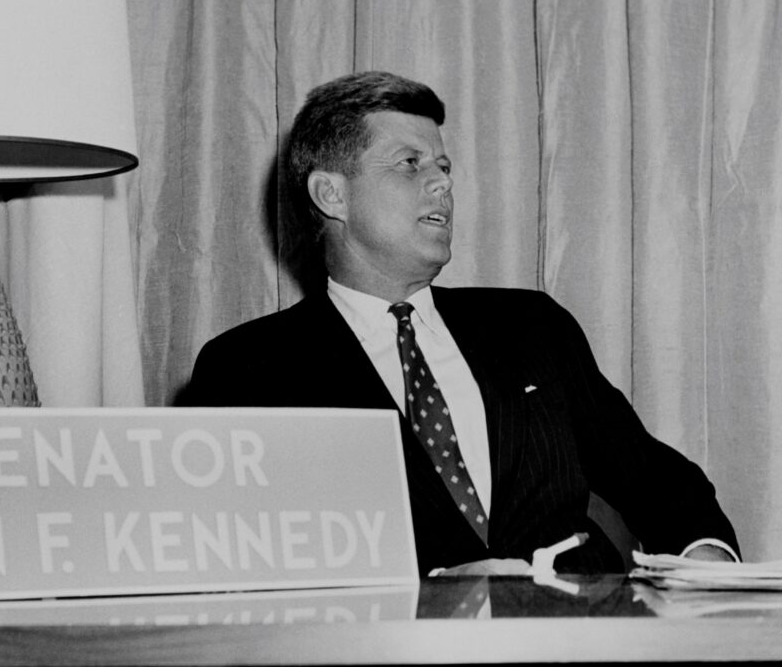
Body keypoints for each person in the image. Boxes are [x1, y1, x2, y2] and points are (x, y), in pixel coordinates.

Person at [181, 70, 739, 575]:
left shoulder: (531, 325)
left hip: (568, 646)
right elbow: (231, 558)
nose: (443, 183)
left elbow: (651, 476)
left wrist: (706, 558)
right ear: (332, 194)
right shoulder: (249, 368)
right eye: (410, 164)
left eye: (443, 167)